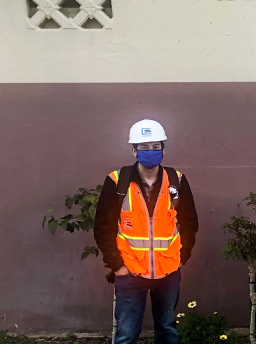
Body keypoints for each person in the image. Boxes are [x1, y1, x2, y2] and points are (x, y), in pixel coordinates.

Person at [94, 119, 199, 344]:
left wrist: (182, 257)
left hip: (168, 272)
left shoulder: (176, 181)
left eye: (156, 147)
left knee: (167, 330)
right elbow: (103, 227)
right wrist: (117, 265)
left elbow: (190, 222)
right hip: (129, 272)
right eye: (144, 147)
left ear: (163, 149)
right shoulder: (117, 181)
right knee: (126, 335)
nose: (151, 151)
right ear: (133, 150)